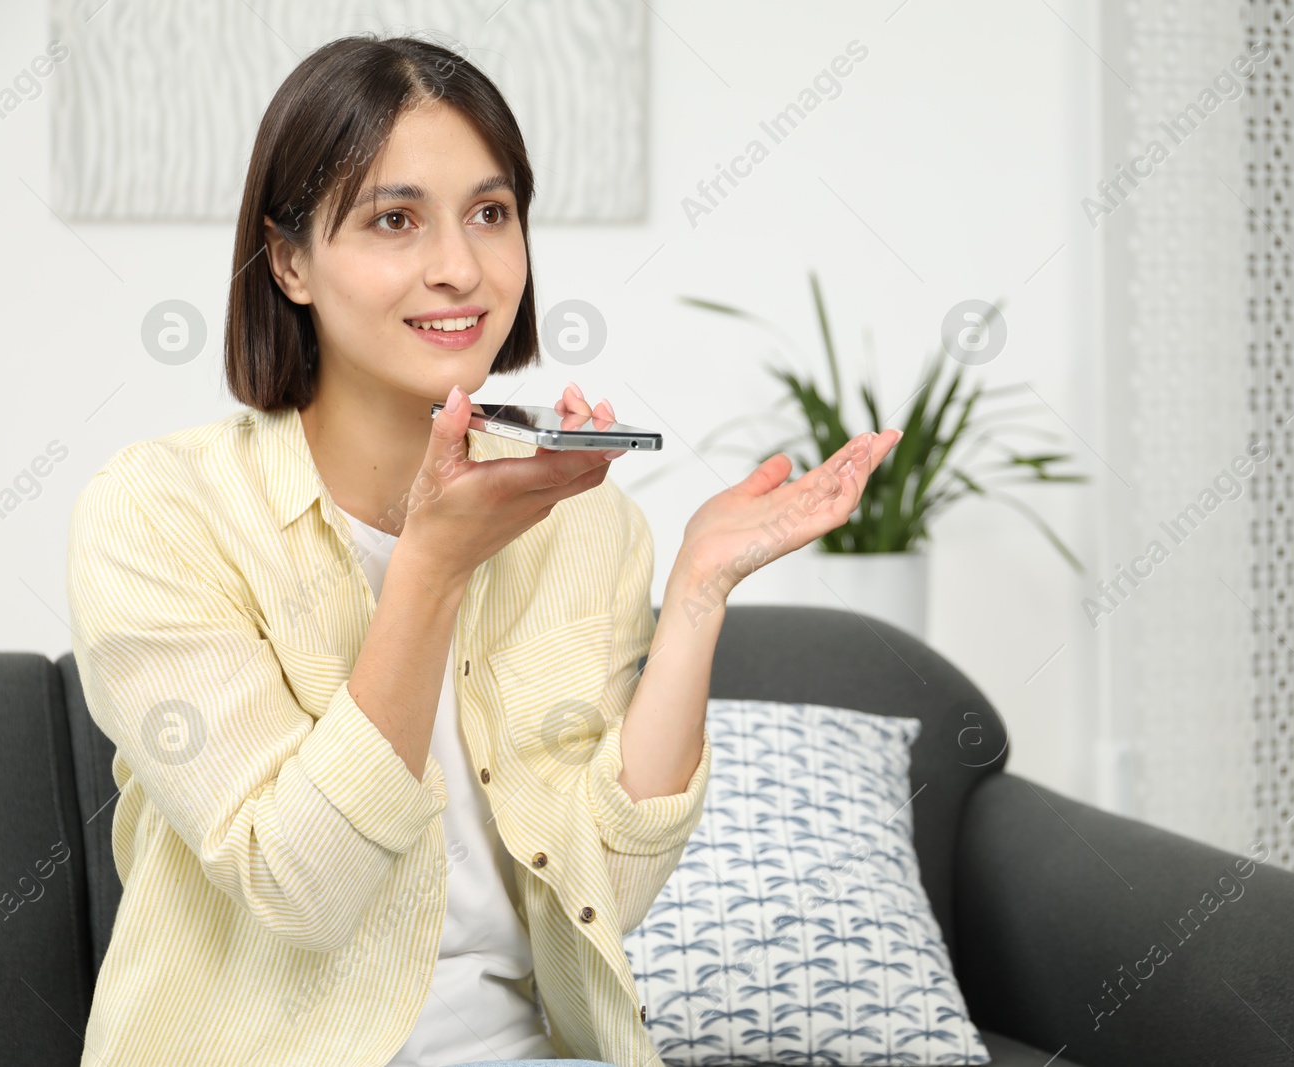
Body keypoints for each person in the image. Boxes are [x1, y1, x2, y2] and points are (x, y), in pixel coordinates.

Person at [64, 31, 900, 1067]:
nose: (459, 267)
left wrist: (696, 591)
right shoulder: (158, 512)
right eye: (393, 218)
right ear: (289, 261)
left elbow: (606, 891)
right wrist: (433, 562)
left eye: (490, 214)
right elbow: (300, 887)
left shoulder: (587, 522)